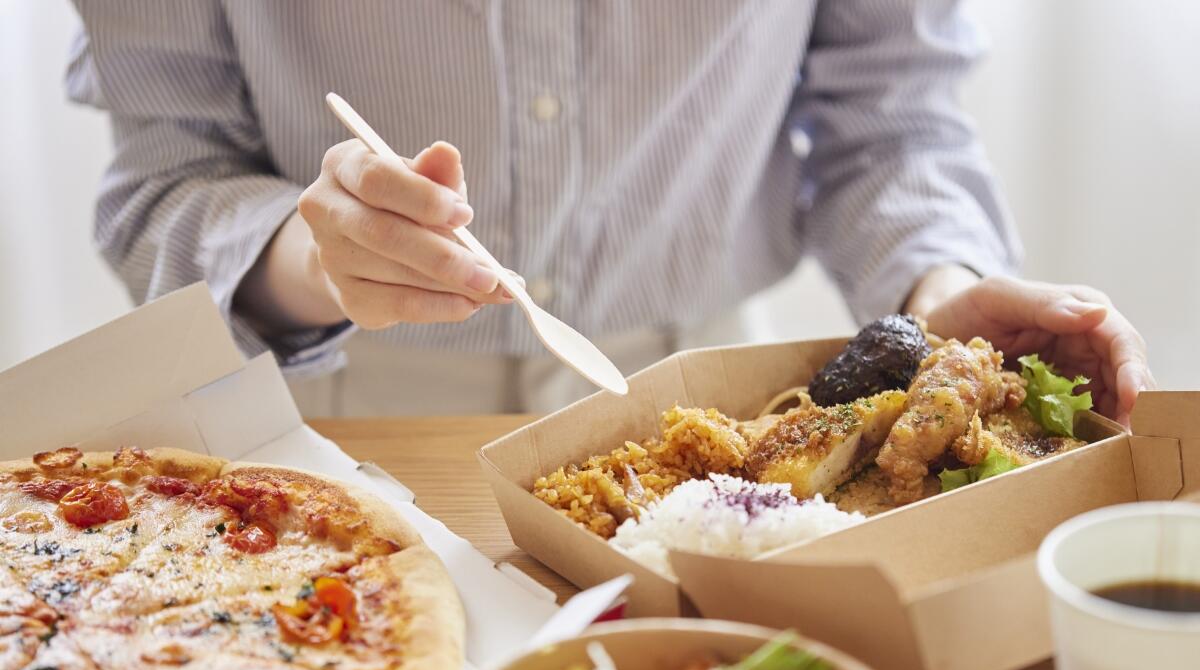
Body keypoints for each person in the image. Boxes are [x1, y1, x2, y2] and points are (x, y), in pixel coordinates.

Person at [67, 1, 1152, 421]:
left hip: (726, 407)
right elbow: (169, 175)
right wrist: (322, 254)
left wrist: (940, 294)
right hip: (341, 422)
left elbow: (889, 117)